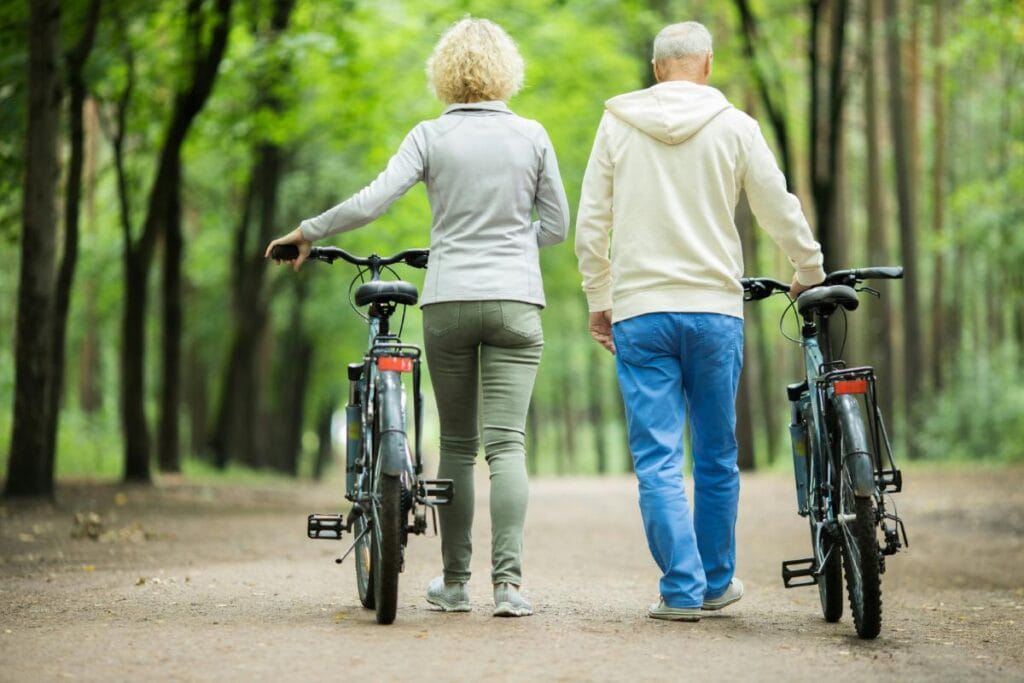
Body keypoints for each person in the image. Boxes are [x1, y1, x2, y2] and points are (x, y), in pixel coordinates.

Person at [266, 18, 569, 618]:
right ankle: (507, 588)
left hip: (449, 299)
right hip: (516, 301)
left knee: (457, 443)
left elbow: (373, 200)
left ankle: (455, 585)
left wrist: (309, 232)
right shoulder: (532, 135)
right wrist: (510, 243)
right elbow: (556, 226)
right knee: (507, 445)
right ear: (507, 70)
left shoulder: (430, 136)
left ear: (445, 73)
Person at [574, 21, 825, 622]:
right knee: (716, 454)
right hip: (714, 311)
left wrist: (598, 295)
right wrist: (809, 267)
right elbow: (776, 205)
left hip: (641, 312)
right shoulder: (736, 126)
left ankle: (681, 590)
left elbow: (591, 224)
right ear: (706, 65)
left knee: (658, 458)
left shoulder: (617, 124)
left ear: (658, 69)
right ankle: (716, 582)